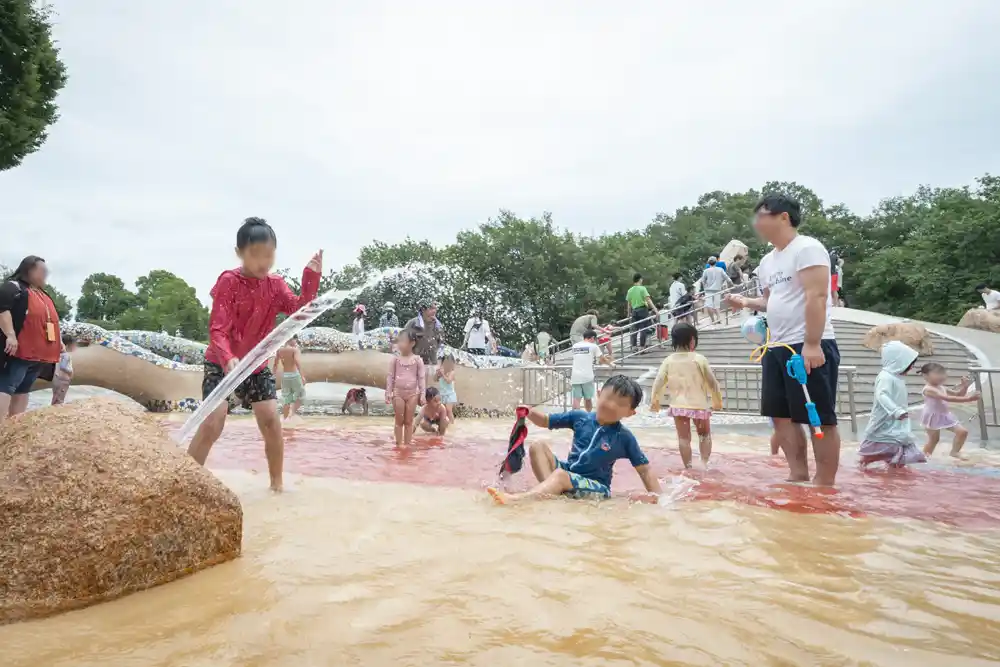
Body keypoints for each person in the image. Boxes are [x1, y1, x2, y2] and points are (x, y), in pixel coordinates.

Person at [185, 217, 322, 492]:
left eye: (269, 255)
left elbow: (299, 312)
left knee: (271, 420)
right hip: (222, 364)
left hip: (256, 366)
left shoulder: (275, 285)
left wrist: (311, 278)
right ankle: (185, 482)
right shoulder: (229, 281)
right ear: (239, 252)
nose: (263, 262)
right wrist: (228, 358)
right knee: (213, 422)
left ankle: (277, 486)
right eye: (255, 254)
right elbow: (218, 328)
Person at [726, 194, 842, 487]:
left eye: (762, 216)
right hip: (776, 345)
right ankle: (797, 474)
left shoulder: (807, 248)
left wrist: (812, 343)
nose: (756, 223)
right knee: (780, 416)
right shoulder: (768, 261)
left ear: (783, 217)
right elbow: (770, 301)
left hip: (807, 343)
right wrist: (745, 301)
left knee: (818, 417)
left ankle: (824, 482)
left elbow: (817, 296)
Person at [487, 375, 662, 504]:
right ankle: (549, 492)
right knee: (537, 446)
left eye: (621, 404)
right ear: (599, 394)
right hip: (569, 472)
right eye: (608, 398)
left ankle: (519, 500)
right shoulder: (580, 417)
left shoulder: (624, 437)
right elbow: (546, 421)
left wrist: (658, 498)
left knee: (560, 476)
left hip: (597, 486)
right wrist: (529, 412)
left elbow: (645, 470)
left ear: (630, 413)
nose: (611, 405)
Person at [649, 323, 723, 469]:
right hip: (699, 406)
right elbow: (712, 382)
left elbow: (658, 382)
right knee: (704, 435)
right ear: (692, 339)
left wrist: (654, 401)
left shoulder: (668, 360)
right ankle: (704, 464)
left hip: (678, 406)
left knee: (683, 439)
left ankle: (688, 467)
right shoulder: (699, 359)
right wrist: (717, 401)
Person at [0, 256, 61, 420]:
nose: (46, 274)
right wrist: (10, 335)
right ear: (30, 270)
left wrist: (59, 342)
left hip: (38, 356)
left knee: (23, 388)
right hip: (19, 351)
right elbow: (2, 309)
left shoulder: (42, 294)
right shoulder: (13, 287)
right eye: (43, 271)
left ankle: (16, 426)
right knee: (6, 385)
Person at [856, 342, 927, 469]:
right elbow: (882, 395)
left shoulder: (896, 377)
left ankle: (892, 473)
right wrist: (896, 411)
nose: (912, 367)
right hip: (884, 422)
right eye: (909, 364)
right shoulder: (886, 377)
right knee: (872, 455)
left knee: (897, 455)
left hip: (897, 424)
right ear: (897, 361)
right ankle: (865, 469)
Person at [919, 362, 980, 458]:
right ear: (925, 376)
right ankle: (923, 457)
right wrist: (969, 399)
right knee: (934, 440)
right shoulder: (929, 389)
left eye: (942, 373)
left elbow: (958, 395)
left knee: (962, 432)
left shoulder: (941, 387)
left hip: (945, 414)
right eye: (937, 373)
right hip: (932, 416)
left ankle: (954, 452)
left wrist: (965, 386)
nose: (941, 376)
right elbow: (947, 398)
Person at [386, 329, 425, 447]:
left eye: (403, 341)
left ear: (412, 343)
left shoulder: (417, 360)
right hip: (398, 393)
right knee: (399, 420)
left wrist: (422, 394)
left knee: (408, 421)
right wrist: (388, 392)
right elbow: (390, 376)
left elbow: (421, 378)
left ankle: (407, 445)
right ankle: (398, 444)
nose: (400, 344)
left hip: (413, 394)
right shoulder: (395, 359)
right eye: (399, 341)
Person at [570, 329, 611, 412]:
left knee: (576, 399)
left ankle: (575, 416)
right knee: (588, 398)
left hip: (575, 376)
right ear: (592, 338)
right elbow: (602, 360)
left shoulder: (575, 346)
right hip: (587, 376)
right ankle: (588, 415)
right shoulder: (593, 346)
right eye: (595, 339)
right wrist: (611, 364)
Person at [403, 300, 444, 370]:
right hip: (413, 365)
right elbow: (403, 343)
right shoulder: (413, 324)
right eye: (431, 308)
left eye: (435, 308)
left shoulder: (438, 326)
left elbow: (441, 346)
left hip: (431, 365)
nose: (434, 311)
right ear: (423, 309)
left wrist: (439, 365)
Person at [626, 273, 658, 350]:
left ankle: (634, 346)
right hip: (643, 310)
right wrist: (655, 310)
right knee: (643, 329)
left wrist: (628, 313)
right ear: (640, 279)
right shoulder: (642, 288)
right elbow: (648, 300)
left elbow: (629, 304)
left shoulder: (630, 290)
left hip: (634, 311)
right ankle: (642, 347)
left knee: (634, 329)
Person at [276, 336, 305, 420]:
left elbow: (276, 364)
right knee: (301, 395)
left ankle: (285, 418)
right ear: (291, 339)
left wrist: (273, 375)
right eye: (295, 340)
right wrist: (302, 376)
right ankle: (292, 414)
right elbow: (297, 362)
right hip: (294, 375)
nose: (296, 342)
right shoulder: (294, 350)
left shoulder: (279, 350)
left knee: (287, 398)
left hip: (285, 376)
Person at [700, 257, 732, 325]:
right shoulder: (720, 269)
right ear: (716, 262)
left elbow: (703, 281)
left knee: (709, 305)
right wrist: (732, 284)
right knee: (717, 305)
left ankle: (713, 320)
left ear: (708, 263)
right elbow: (727, 278)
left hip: (708, 291)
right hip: (717, 290)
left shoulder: (706, 271)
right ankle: (719, 318)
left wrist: (705, 287)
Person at [51, 334, 76, 406]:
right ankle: (57, 409)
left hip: (56, 378)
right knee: (60, 398)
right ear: (67, 346)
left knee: (56, 396)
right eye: (73, 345)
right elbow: (63, 366)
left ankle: (53, 408)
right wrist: (70, 372)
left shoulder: (58, 355)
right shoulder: (66, 355)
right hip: (63, 379)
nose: (75, 347)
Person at [436, 354, 458, 421]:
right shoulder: (441, 372)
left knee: (448, 411)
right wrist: (437, 374)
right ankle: (444, 424)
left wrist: (443, 374)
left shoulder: (452, 372)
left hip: (450, 395)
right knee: (443, 411)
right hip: (442, 394)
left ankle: (452, 424)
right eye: (445, 363)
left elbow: (448, 381)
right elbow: (435, 379)